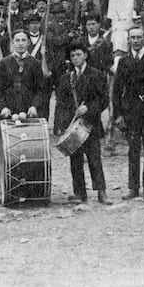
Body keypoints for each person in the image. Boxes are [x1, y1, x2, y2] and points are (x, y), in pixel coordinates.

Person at [55, 42, 110, 204]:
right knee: (75, 160)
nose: (75, 58)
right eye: (72, 56)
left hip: (91, 124)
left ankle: (101, 192)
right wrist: (62, 124)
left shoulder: (97, 75)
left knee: (94, 159)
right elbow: (61, 103)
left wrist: (88, 108)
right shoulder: (67, 78)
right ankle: (79, 193)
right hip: (73, 126)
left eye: (78, 54)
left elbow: (104, 100)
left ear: (85, 55)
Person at [111, 26, 144, 199]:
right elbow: (117, 90)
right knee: (133, 150)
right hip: (130, 112)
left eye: (139, 37)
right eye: (133, 38)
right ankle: (133, 187)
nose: (136, 40)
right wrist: (117, 115)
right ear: (128, 40)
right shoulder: (124, 62)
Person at [0, 30, 48, 121]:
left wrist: (34, 106)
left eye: (23, 40)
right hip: (9, 112)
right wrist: (3, 107)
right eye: (17, 40)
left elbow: (40, 90)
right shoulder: (4, 63)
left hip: (29, 111)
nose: (20, 43)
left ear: (28, 43)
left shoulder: (35, 63)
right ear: (13, 43)